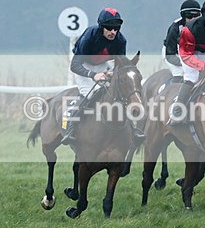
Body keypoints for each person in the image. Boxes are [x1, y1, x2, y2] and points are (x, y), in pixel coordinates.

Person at [61, 8, 144, 145]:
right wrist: (93, 75)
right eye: (109, 28)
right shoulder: (89, 36)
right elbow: (74, 65)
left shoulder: (120, 40)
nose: (113, 32)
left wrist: (114, 73)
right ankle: (71, 129)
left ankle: (133, 129)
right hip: (84, 65)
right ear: (101, 26)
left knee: (119, 91)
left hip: (103, 64)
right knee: (89, 93)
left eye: (116, 28)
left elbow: (120, 65)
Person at [163, 0, 201, 81]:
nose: (193, 19)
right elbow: (170, 54)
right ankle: (170, 91)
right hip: (173, 54)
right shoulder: (175, 28)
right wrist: (185, 64)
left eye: (196, 16)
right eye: (189, 17)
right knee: (180, 74)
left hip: (190, 53)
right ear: (183, 16)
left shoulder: (203, 27)